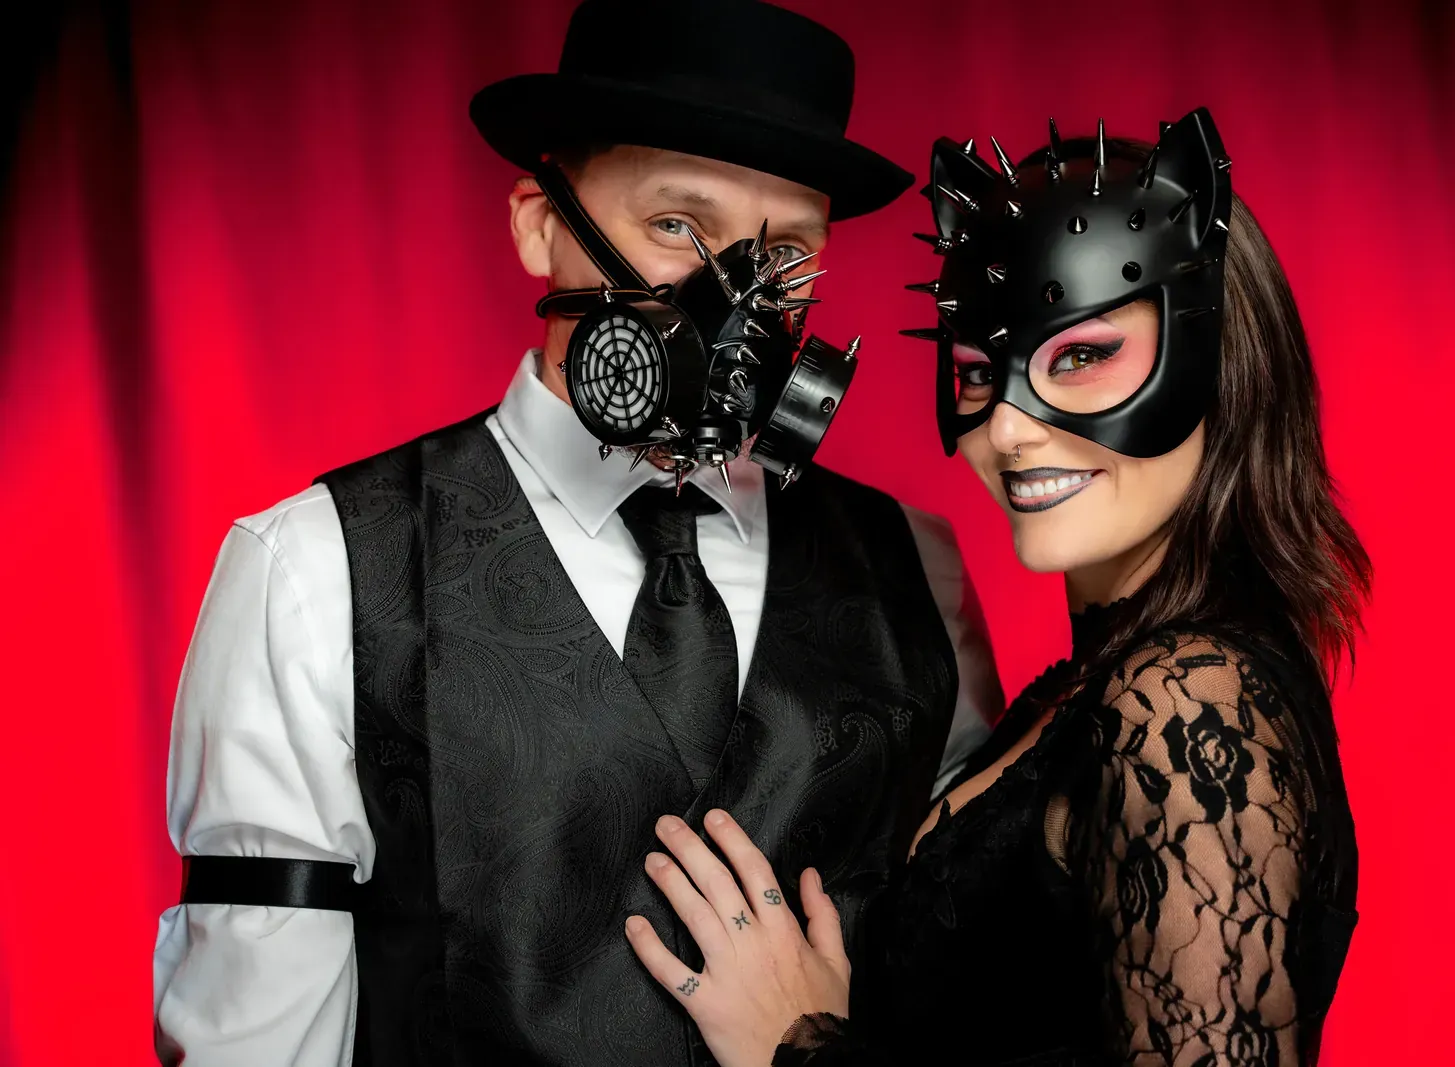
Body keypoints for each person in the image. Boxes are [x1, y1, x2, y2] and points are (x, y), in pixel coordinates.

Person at [151, 3, 1004, 1065]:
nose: (734, 301)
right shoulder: (315, 572)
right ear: (535, 222)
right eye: (676, 227)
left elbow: (973, 986)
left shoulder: (912, 570)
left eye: (785, 253)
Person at [623, 108, 1370, 1066]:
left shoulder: (1189, 703)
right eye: (979, 372)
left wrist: (802, 1046)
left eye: (1085, 356)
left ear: (1220, 353)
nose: (1009, 429)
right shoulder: (1089, 689)